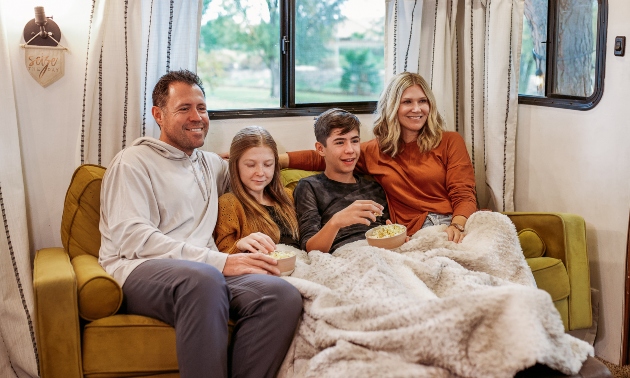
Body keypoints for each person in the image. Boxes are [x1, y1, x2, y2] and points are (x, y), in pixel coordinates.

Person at [98, 70, 302, 378]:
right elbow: (132, 240)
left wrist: (298, 161)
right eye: (184, 108)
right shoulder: (133, 163)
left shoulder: (210, 165)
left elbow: (249, 166)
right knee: (203, 280)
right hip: (137, 269)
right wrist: (220, 261)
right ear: (158, 115)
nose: (197, 117)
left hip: (205, 274)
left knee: (281, 296)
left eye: (202, 108)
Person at [282, 72, 477, 243]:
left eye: (422, 101)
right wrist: (275, 160)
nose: (417, 109)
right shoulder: (376, 150)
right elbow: (325, 156)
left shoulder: (450, 141)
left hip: (458, 221)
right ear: (392, 106)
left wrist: (457, 226)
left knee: (497, 229)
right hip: (418, 230)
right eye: (407, 102)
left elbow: (464, 193)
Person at [292, 108, 390, 253]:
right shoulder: (309, 187)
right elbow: (310, 248)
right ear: (320, 149)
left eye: (354, 141)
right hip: (344, 256)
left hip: (381, 254)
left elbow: (387, 231)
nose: (350, 149)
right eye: (339, 142)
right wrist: (336, 222)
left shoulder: (374, 187)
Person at [214, 126, 300, 254]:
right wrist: (240, 245)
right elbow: (222, 255)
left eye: (267, 164)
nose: (260, 172)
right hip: (263, 270)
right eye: (250, 165)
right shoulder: (228, 203)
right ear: (235, 165)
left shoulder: (288, 196)